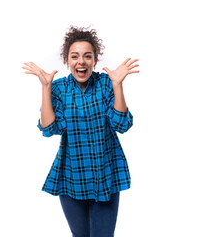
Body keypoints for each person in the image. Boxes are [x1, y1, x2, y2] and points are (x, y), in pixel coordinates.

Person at [22, 26, 139, 237]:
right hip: (71, 178)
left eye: (87, 56)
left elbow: (122, 124)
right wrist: (46, 88)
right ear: (67, 61)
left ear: (95, 60)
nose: (81, 61)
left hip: (106, 177)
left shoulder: (106, 84)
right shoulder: (59, 88)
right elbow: (49, 129)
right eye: (74, 56)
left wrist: (118, 85)